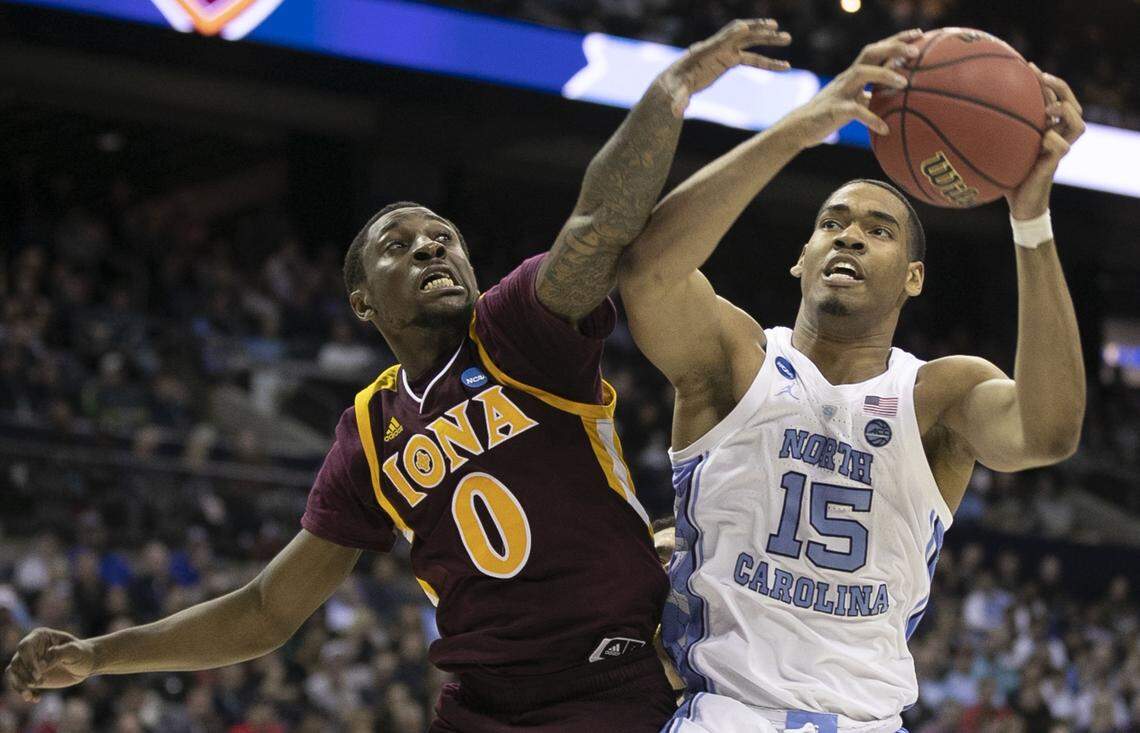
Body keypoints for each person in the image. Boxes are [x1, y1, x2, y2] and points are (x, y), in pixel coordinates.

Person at [4, 19, 795, 733]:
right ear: (360, 301)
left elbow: (600, 226)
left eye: (444, 236)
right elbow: (268, 609)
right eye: (398, 243)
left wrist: (670, 91)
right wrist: (100, 656)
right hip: (481, 705)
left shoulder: (518, 326)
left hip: (612, 685)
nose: (429, 248)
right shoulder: (370, 432)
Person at [618, 29, 1086, 733]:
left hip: (866, 719)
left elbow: (1048, 430)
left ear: (913, 277)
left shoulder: (940, 397)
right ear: (800, 260)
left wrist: (1031, 217)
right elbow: (647, 271)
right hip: (727, 714)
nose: (849, 235)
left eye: (879, 228)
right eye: (831, 223)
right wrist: (802, 127)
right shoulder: (734, 360)